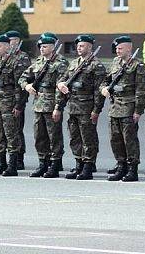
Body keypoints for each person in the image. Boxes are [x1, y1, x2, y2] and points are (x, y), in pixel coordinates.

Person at [56, 34, 106, 180]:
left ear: (90, 47)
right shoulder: (74, 63)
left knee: (88, 138)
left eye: (82, 45)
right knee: (75, 138)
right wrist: (61, 85)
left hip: (86, 108)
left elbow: (99, 92)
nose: (78, 47)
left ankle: (88, 166)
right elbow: (63, 79)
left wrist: (96, 110)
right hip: (72, 107)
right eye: (77, 45)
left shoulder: (96, 65)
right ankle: (79, 164)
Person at [19, 32, 69, 178]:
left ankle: (55, 164)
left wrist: (58, 107)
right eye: (40, 46)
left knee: (54, 136)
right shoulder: (39, 62)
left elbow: (60, 88)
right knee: (39, 136)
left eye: (45, 46)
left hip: (51, 104)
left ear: (53, 47)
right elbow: (23, 77)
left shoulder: (60, 63)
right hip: (38, 105)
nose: (41, 49)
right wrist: (26, 86)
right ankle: (43, 163)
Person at [100, 35, 145, 182]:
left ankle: (132, 168)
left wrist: (138, 111)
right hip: (114, 106)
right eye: (116, 49)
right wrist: (104, 89)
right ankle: (121, 166)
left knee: (129, 140)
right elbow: (105, 80)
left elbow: (142, 90)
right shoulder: (115, 62)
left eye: (120, 48)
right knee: (115, 138)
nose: (118, 51)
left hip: (129, 106)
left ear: (129, 48)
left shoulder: (137, 66)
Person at [0, 34, 30, 177]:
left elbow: (19, 86)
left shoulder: (16, 61)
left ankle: (13, 165)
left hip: (10, 103)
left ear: (7, 46)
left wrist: (18, 105)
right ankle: (1, 163)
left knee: (11, 133)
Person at [4, 30, 31, 170]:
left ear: (19, 41)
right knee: (7, 131)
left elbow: (23, 82)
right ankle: (9, 158)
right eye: (9, 41)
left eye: (14, 40)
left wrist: (19, 104)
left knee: (16, 129)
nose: (11, 43)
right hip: (4, 100)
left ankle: (19, 158)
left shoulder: (22, 58)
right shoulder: (5, 57)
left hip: (17, 99)